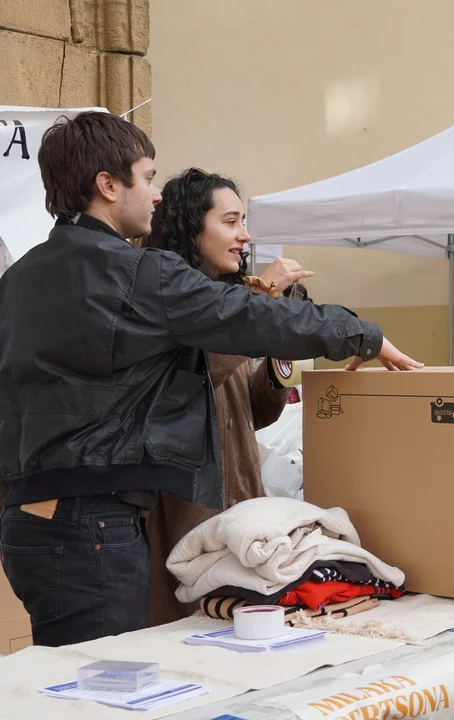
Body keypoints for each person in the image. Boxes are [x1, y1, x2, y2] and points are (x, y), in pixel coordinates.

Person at [0, 113, 422, 648]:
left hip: (26, 524)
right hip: (95, 524)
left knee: (71, 672)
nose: (156, 193)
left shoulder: (7, 288)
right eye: (148, 177)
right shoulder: (135, 274)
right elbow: (254, 318)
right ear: (108, 185)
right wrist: (362, 334)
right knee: (108, 680)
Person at [141, 169, 317, 626]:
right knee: (191, 625)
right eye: (231, 221)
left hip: (242, 504)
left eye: (243, 221)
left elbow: (253, 411)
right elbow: (192, 381)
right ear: (190, 227)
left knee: (245, 623)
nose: (245, 235)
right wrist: (262, 305)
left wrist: (279, 352)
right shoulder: (165, 300)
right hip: (190, 513)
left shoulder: (227, 299)